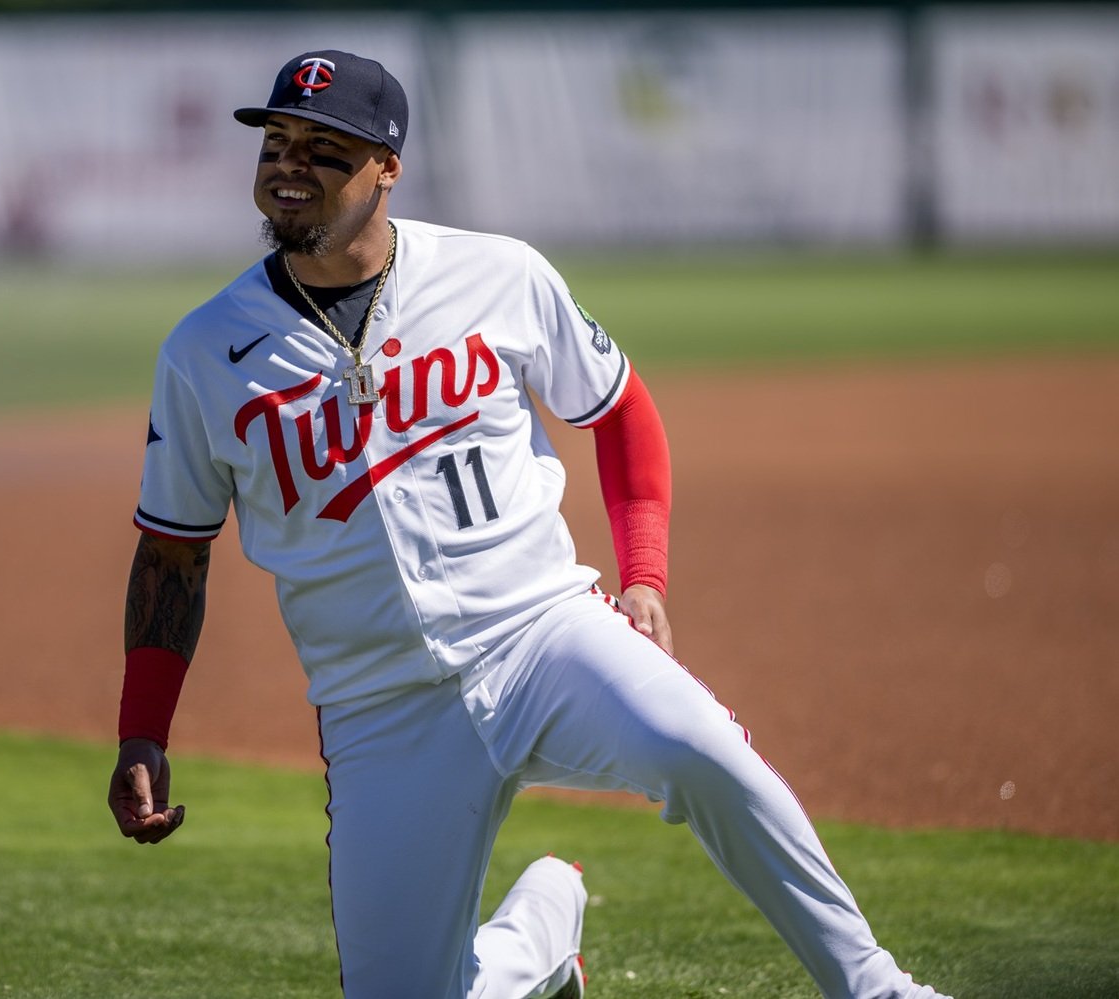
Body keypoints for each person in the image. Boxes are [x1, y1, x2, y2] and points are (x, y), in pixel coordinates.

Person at [107, 49, 951, 999]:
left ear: (387, 167)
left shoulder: (497, 275)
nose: (289, 164)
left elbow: (621, 409)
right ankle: (539, 931)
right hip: (379, 706)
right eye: (276, 141)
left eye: (324, 148)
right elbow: (172, 551)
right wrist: (144, 730)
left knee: (706, 753)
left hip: (543, 633)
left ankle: (877, 988)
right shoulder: (203, 352)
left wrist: (642, 576)